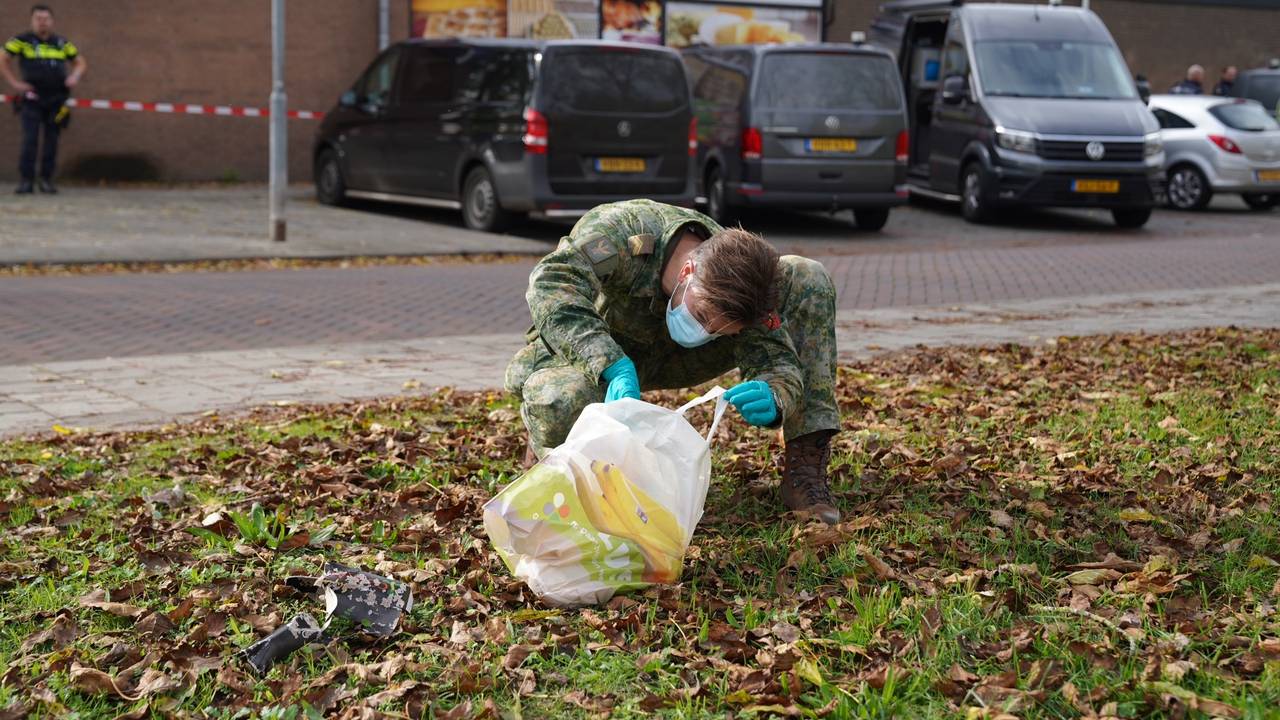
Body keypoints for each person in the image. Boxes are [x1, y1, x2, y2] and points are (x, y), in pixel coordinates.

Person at [506, 199, 842, 525]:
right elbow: (551, 282)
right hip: (601, 352)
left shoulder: (742, 288)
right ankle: (554, 465)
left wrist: (776, 394)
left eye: (719, 330)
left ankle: (805, 467)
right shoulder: (626, 230)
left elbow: (776, 359)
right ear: (687, 270)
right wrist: (608, 361)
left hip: (681, 362)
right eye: (701, 316)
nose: (704, 331)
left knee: (804, 274)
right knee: (562, 396)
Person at [1, 4, 85, 194]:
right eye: (38, 19)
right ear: (32, 21)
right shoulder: (22, 41)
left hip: (56, 100)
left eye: (46, 19)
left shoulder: (61, 43)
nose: (42, 22)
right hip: (32, 99)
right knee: (30, 139)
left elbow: (80, 62)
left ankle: (46, 180)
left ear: (52, 21)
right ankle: (26, 181)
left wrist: (75, 76)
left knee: (52, 140)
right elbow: (2, 58)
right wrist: (15, 83)